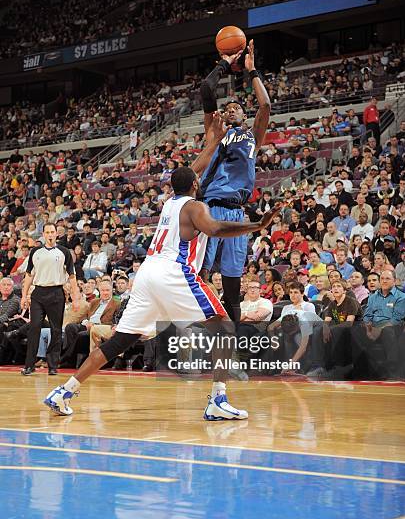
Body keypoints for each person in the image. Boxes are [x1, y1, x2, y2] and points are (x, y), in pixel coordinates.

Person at [44, 164, 274, 419]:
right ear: (195, 185)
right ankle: (218, 399)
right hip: (173, 272)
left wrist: (213, 136)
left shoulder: (169, 203)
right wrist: (256, 225)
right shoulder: (196, 207)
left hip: (147, 273)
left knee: (119, 341)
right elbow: (216, 229)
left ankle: (64, 391)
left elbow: (190, 171)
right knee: (225, 328)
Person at [195, 39, 271, 323]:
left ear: (244, 115)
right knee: (200, 276)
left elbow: (265, 105)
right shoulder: (215, 134)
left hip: (237, 212)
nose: (230, 109)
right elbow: (205, 89)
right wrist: (226, 62)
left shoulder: (253, 136)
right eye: (226, 108)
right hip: (210, 208)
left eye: (236, 107)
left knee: (231, 284)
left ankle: (234, 347)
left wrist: (251, 70)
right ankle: (197, 339)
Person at [21, 223, 80, 375]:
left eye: (52, 232)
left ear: (56, 234)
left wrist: (76, 298)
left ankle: (53, 365)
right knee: (34, 327)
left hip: (56, 293)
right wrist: (23, 295)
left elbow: (72, 277)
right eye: (47, 232)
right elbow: (28, 275)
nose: (50, 234)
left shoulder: (64, 252)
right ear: (43, 234)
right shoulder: (35, 251)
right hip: (38, 293)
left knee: (55, 329)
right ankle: (29, 365)